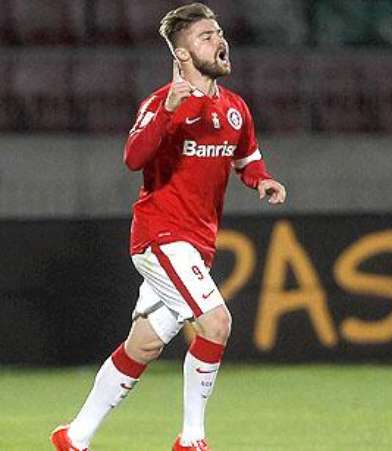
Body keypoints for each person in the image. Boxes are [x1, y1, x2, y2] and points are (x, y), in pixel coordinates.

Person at [50, 3, 286, 450]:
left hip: (196, 246)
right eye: (206, 37)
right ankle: (191, 440)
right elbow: (133, 157)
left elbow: (246, 157)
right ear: (180, 54)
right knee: (216, 323)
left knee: (143, 346)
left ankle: (74, 436)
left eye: (218, 33)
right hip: (161, 236)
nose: (220, 41)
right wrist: (168, 113)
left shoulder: (235, 108)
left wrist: (262, 179)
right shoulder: (162, 102)